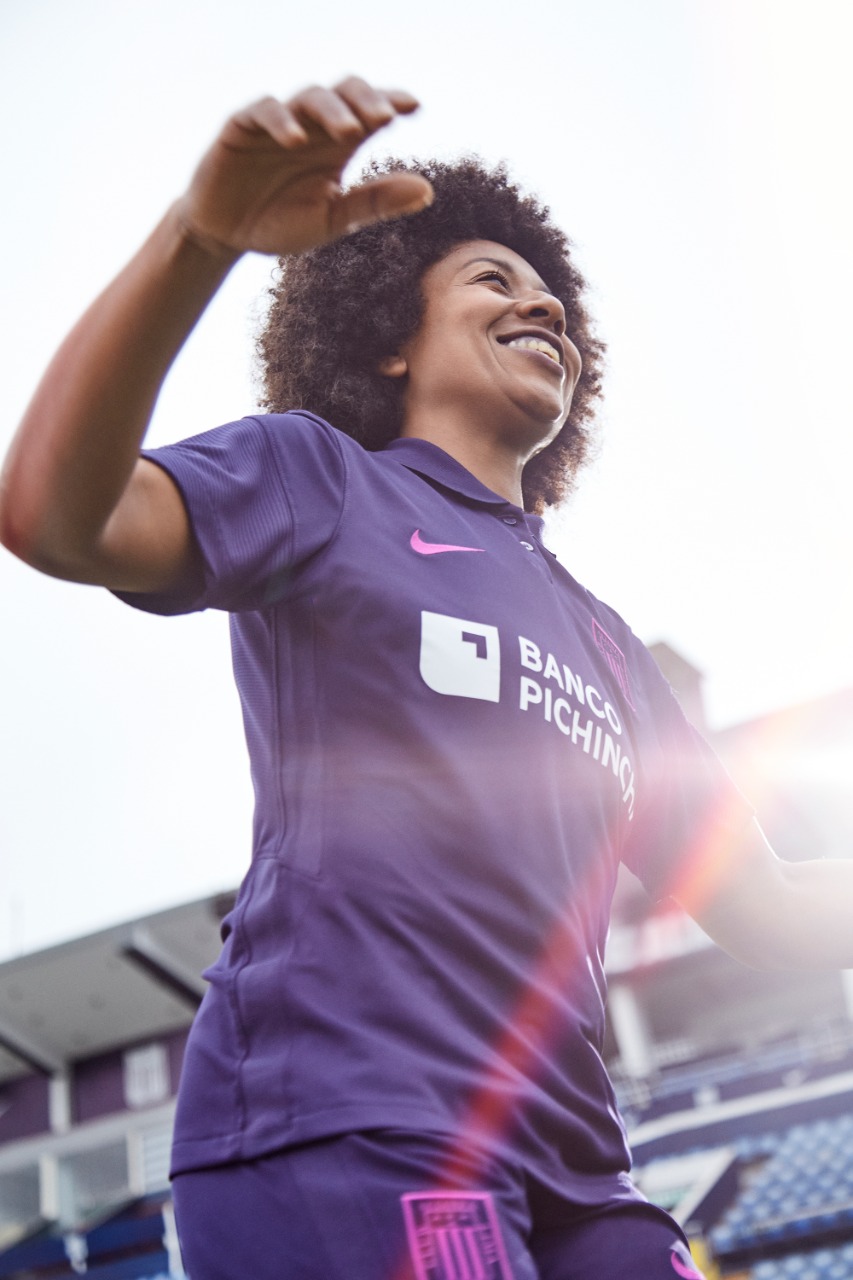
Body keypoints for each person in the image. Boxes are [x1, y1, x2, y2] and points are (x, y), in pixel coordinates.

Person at [2, 76, 852, 1280]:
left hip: (578, 1171)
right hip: (352, 1115)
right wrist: (199, 239)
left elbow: (766, 901)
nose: (542, 303)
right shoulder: (319, 482)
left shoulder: (607, 644)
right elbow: (54, 513)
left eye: (552, 296)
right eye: (493, 280)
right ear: (389, 339)